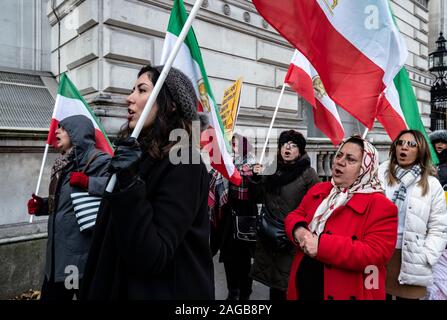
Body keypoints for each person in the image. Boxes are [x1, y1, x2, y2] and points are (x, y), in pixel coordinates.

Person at [80, 65, 214, 300]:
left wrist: (130, 184)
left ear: (171, 104)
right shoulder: (137, 155)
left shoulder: (185, 163)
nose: (128, 98)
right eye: (133, 90)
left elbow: (153, 255)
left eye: (142, 90)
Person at [285, 135, 398, 300]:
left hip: (346, 289)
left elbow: (375, 254)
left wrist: (321, 246)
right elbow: (295, 215)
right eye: (339, 155)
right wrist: (299, 231)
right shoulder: (321, 190)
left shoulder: (381, 206)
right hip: (304, 285)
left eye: (351, 159)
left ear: (365, 168)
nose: (340, 161)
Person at [26, 115, 111, 300]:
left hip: (81, 259)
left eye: (62, 128)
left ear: (76, 132)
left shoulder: (99, 160)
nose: (56, 131)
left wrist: (89, 182)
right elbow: (67, 202)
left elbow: (117, 187)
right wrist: (42, 205)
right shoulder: (62, 164)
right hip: (57, 258)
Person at [250, 130, 320, 300]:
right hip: (269, 237)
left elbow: (316, 207)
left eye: (293, 145)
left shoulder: (308, 174)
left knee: (289, 285)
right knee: (274, 285)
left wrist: (299, 229)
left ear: (300, 150)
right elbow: (256, 197)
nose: (287, 148)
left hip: (291, 239)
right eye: (284, 144)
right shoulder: (271, 169)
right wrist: (256, 179)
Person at [378, 129, 447, 300]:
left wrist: (427, 256)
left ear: (420, 150)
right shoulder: (380, 175)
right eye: (400, 143)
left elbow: (439, 227)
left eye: (411, 144)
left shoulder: (431, 184)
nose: (404, 148)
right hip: (380, 255)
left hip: (413, 258)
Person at [214, 133, 258, 300]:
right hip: (227, 219)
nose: (234, 147)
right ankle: (232, 291)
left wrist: (251, 178)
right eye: (232, 144)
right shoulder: (226, 164)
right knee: (228, 258)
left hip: (245, 218)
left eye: (237, 144)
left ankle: (245, 294)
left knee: (244, 261)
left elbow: (255, 193)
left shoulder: (253, 165)